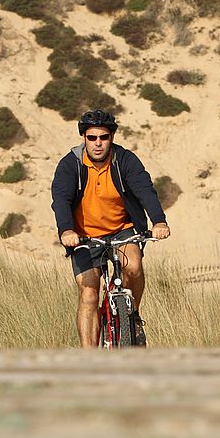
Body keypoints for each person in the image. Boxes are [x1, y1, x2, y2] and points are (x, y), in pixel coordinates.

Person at [51, 109, 171, 348]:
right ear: (83, 138)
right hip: (84, 236)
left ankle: (133, 317)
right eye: (92, 138)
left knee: (133, 267)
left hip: (123, 229)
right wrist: (66, 230)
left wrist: (158, 221)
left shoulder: (125, 160)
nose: (98, 143)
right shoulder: (70, 165)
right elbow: (61, 199)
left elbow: (145, 190)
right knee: (89, 293)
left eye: (103, 137)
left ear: (112, 138)